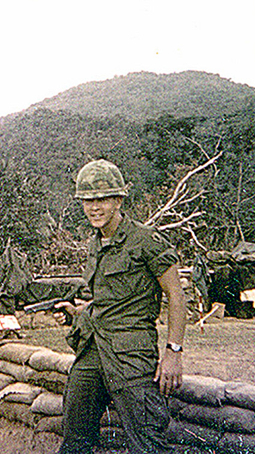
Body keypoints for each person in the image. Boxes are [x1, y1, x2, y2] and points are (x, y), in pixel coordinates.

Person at [54, 159, 187, 454]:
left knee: (146, 442)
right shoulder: (95, 243)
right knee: (75, 437)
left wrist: (173, 352)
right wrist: (77, 313)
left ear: (118, 200)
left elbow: (176, 297)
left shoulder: (146, 240)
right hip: (93, 350)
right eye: (88, 200)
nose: (94, 207)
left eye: (102, 199)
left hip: (130, 355)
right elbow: (111, 299)